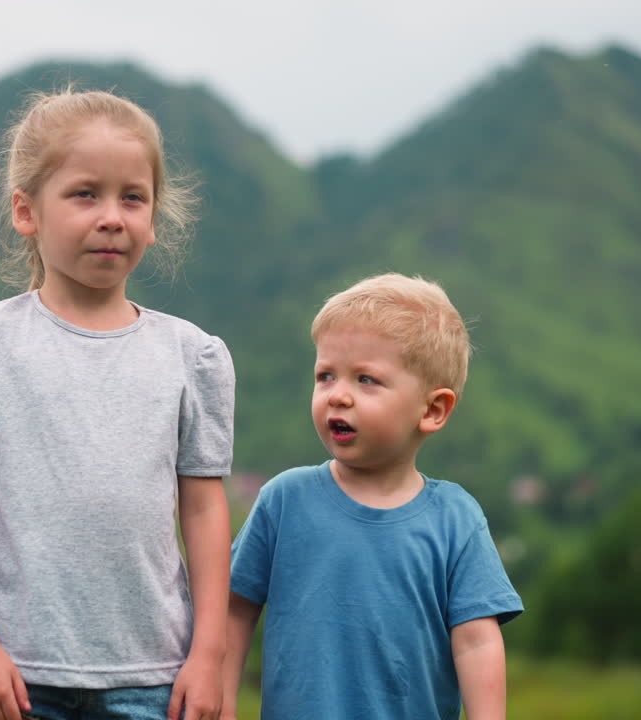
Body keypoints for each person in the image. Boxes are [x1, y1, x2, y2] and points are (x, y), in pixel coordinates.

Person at [0, 88, 234, 720]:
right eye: (85, 194)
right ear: (27, 211)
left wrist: (209, 656)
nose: (112, 217)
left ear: (154, 217)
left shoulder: (193, 356)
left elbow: (204, 510)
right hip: (16, 676)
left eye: (133, 197)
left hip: (153, 677)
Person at [221, 273, 523, 720]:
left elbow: (477, 642)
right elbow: (233, 609)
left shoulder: (456, 520)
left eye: (366, 379)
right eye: (326, 376)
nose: (338, 396)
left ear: (433, 409)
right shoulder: (284, 501)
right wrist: (221, 702)